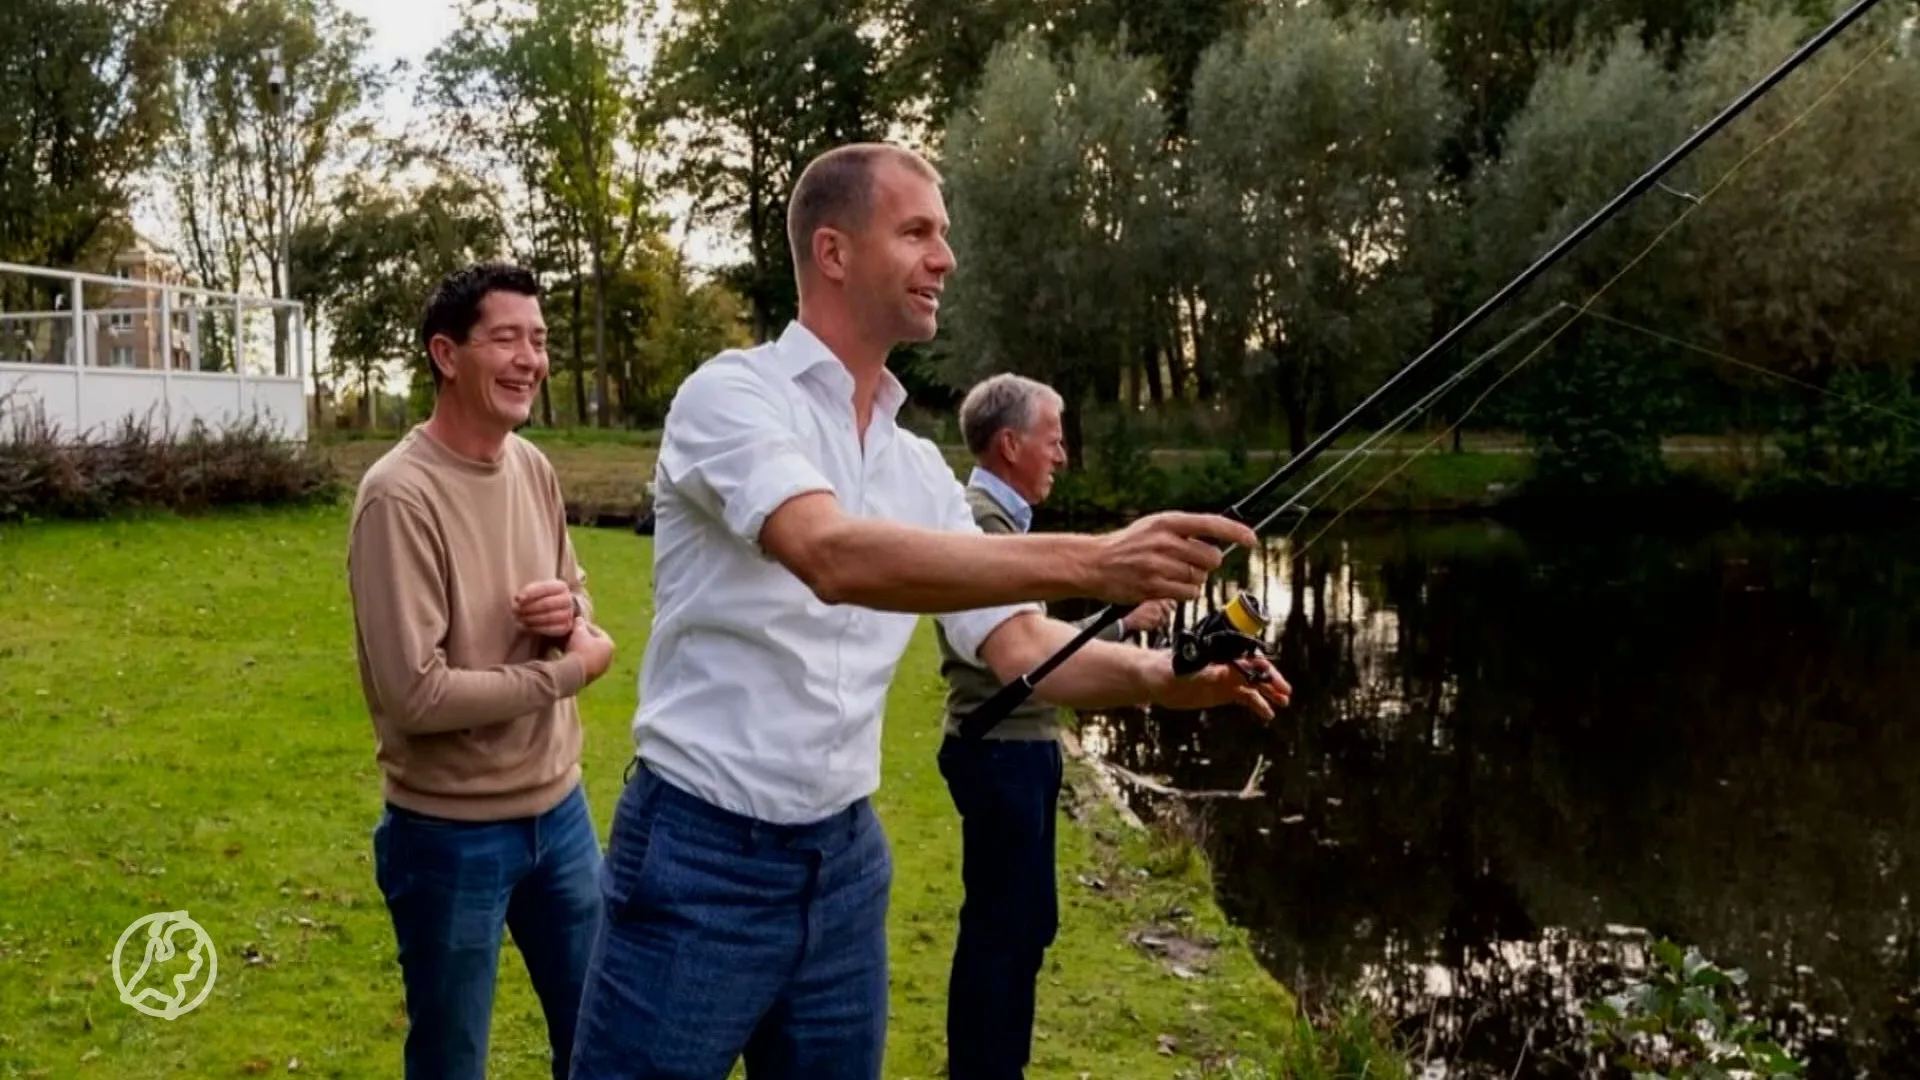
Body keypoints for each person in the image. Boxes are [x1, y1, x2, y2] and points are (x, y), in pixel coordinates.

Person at [566, 142, 1290, 1080]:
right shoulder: (731, 396)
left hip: (846, 864)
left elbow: (1022, 644)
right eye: (917, 232)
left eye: (942, 234)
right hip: (701, 856)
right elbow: (829, 554)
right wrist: (1100, 559)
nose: (944, 257)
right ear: (833, 251)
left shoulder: (915, 467)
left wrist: (1164, 678)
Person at [346, 262, 617, 1080]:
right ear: (446, 354)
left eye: (537, 340)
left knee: (601, 1040)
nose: (528, 358)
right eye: (505, 338)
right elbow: (416, 694)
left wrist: (568, 618)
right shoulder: (399, 497)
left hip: (561, 816)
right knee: (451, 1060)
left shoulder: (532, 467)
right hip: (447, 833)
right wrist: (572, 671)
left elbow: (578, 601)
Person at [933, 372, 1174, 1080]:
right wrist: (1127, 631)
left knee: (1020, 927)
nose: (1062, 454)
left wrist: (1118, 621)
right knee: (1004, 935)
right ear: (1010, 444)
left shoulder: (1005, 522)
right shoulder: (981, 521)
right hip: (1001, 751)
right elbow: (1015, 648)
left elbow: (1028, 633)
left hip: (1021, 749)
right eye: (1053, 438)